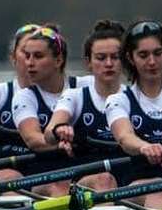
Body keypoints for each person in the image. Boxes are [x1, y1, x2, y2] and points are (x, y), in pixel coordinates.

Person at [104, 20, 162, 209]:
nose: (152, 62)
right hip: (137, 186)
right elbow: (125, 137)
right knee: (160, 188)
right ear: (130, 58)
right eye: (143, 55)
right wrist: (144, 147)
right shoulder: (118, 100)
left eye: (157, 53)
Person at [0, 22, 76, 183]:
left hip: (48, 175)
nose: (30, 61)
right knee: (10, 177)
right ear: (13, 57)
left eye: (38, 54)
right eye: (26, 52)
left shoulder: (73, 92)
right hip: (5, 172)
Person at [45, 20, 127, 193]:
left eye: (115, 57)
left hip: (129, 184)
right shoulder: (75, 96)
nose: (109, 63)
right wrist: (59, 130)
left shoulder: (134, 97)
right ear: (88, 62)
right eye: (101, 58)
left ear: (126, 60)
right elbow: (49, 132)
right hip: (86, 183)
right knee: (105, 179)